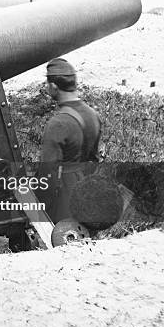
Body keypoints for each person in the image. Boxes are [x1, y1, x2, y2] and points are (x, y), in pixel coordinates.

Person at [37, 58, 101, 222]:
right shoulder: (93, 115)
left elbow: (47, 173)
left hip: (65, 198)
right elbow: (94, 158)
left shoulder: (58, 123)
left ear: (53, 86)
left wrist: (38, 207)